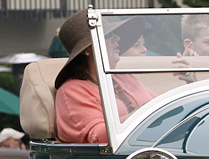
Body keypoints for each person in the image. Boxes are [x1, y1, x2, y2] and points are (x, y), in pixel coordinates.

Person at [53, 10, 156, 144]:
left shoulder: (124, 77)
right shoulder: (72, 90)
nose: (118, 38)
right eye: (108, 35)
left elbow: (162, 107)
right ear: (87, 49)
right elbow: (98, 137)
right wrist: (144, 112)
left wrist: (190, 82)